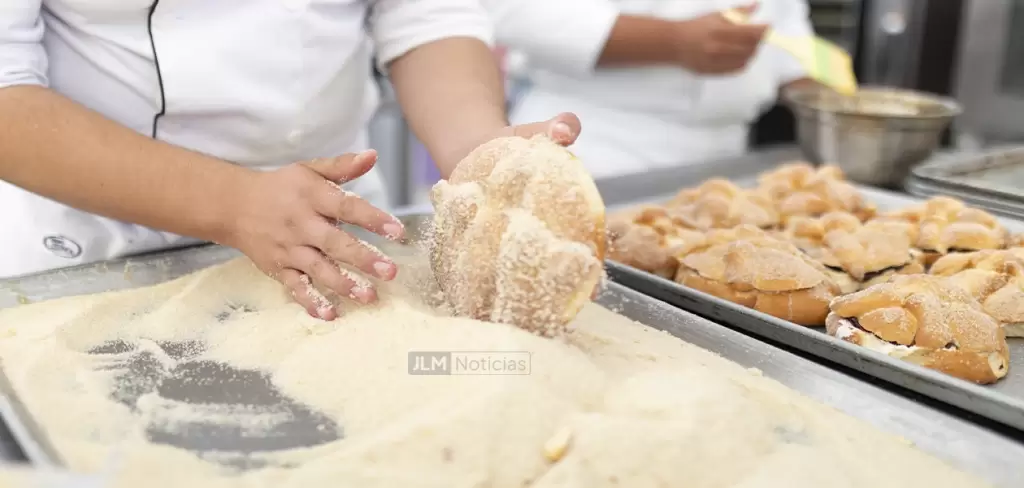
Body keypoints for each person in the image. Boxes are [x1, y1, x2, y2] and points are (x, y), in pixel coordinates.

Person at [0, 1, 581, 319]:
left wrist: (477, 148)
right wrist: (235, 204)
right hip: (100, 246)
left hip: (336, 237)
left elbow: (425, 14)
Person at [484, 0, 820, 180]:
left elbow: (785, 23)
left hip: (729, 159)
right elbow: (515, 9)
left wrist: (822, 94)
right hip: (597, 148)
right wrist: (674, 41)